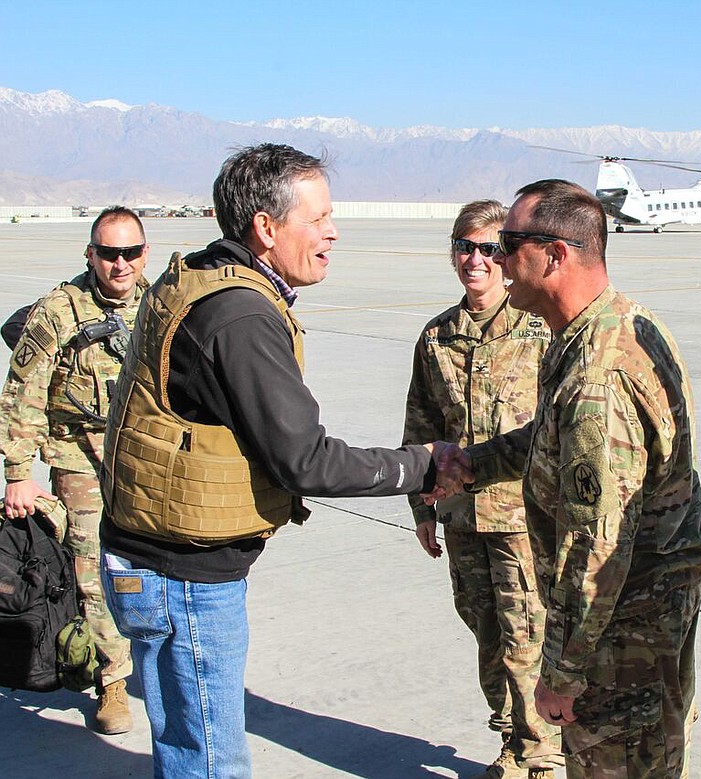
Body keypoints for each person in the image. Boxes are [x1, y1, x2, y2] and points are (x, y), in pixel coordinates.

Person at [98, 144, 448, 778]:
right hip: (184, 576)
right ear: (265, 227)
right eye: (317, 220)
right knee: (209, 761)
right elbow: (306, 462)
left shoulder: (201, 276)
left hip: (152, 560)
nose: (332, 233)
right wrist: (423, 465)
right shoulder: (240, 313)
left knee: (186, 745)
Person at [448, 180, 701, 778]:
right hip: (638, 621)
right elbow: (553, 438)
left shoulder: (597, 375)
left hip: (621, 639)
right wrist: (472, 463)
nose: (493, 260)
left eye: (508, 245)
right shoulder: (608, 327)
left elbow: (597, 544)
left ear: (556, 254)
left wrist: (562, 671)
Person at [402, 200, 560, 779]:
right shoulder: (438, 336)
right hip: (462, 516)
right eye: (464, 248)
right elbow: (421, 423)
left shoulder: (540, 328)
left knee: (528, 634)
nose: (476, 260)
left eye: (489, 249)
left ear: (508, 256)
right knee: (485, 629)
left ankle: (541, 752)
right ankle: (512, 737)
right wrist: (420, 503)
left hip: (525, 515)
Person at [0, 206, 150, 734]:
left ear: (143, 254)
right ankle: (112, 678)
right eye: (109, 253)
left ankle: (149, 665)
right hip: (77, 457)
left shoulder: (156, 305)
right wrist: (18, 471)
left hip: (142, 460)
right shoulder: (59, 311)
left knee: (146, 566)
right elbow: (24, 391)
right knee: (91, 568)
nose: (120, 264)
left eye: (130, 253)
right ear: (91, 254)